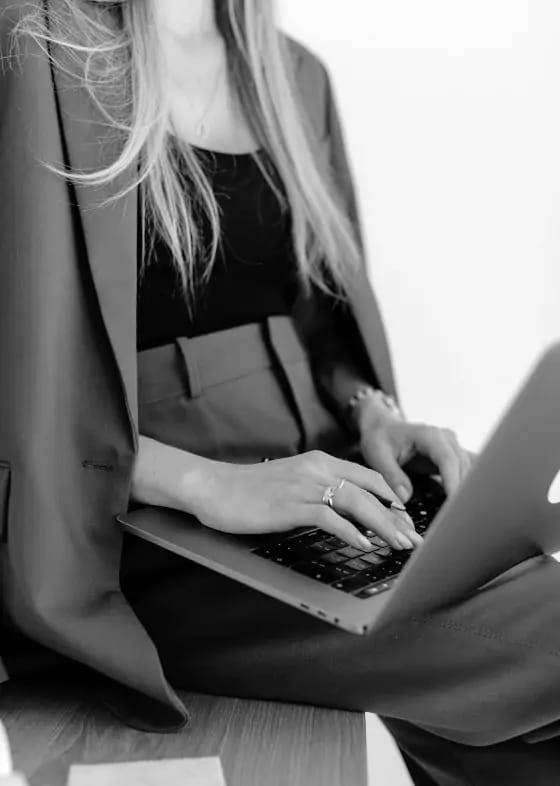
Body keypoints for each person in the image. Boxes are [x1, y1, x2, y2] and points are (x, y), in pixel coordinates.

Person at [1, 1, 560, 783]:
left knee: (516, 724)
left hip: (325, 491)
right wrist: (209, 485)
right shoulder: (33, 47)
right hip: (139, 529)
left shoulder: (296, 76)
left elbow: (316, 320)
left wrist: (373, 413)